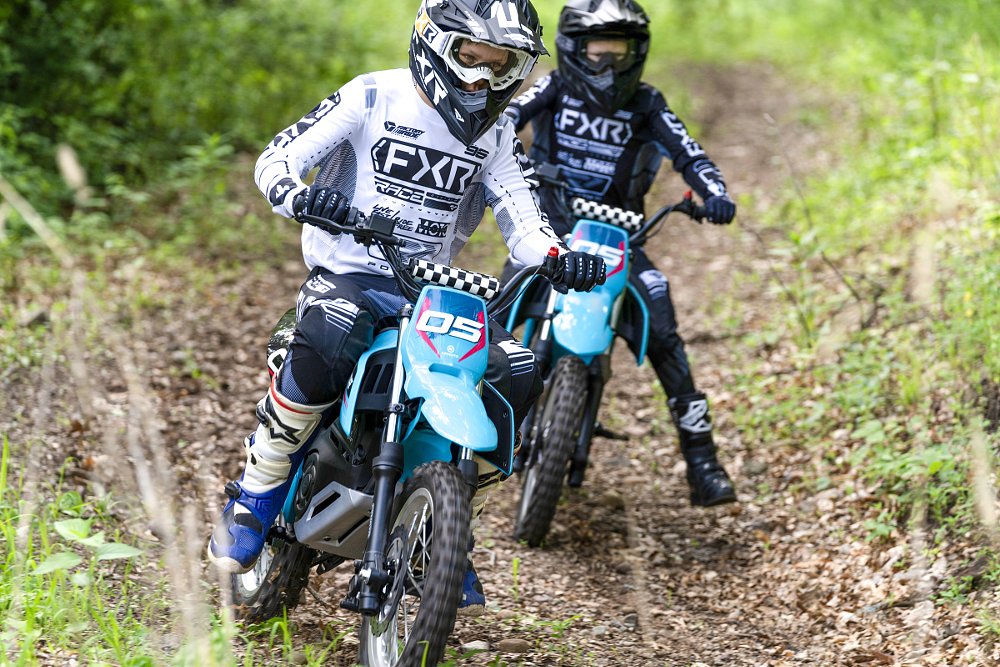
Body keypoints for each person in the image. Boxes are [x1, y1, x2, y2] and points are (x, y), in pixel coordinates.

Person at [207, 0, 607, 616]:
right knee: (335, 330)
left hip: (425, 287)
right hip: (349, 269)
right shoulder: (374, 96)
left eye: (499, 67)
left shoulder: (497, 134)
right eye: (470, 60)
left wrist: (559, 255)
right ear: (435, 46)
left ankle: (439, 527)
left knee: (515, 367)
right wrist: (300, 196)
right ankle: (257, 492)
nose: (480, 80)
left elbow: (523, 220)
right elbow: (278, 158)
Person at [503, 0, 738, 507]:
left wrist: (715, 195)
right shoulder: (555, 86)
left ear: (639, 52)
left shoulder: (648, 104)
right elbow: (505, 119)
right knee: (500, 306)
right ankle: (463, 426)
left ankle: (702, 461)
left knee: (665, 327)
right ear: (573, 49)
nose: (608, 64)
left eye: (620, 51)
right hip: (549, 228)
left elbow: (690, 155)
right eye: (597, 51)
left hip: (621, 239)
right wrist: (509, 159)